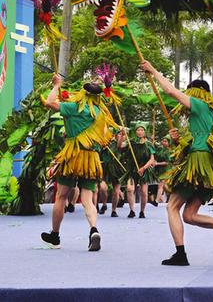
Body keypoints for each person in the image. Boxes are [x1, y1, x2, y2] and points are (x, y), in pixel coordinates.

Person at [139, 61, 213, 266]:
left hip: (198, 162)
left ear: (197, 93)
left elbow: (170, 91)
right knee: (190, 215)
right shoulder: (209, 113)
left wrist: (153, 70)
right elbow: (198, 139)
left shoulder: (200, 105)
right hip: (208, 166)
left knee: (172, 207)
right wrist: (179, 140)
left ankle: (180, 254)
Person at [41, 74, 118, 251]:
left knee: (61, 196)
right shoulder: (100, 113)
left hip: (72, 156)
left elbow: (49, 103)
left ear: (83, 94)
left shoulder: (74, 107)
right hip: (91, 158)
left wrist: (56, 85)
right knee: (87, 199)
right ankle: (93, 230)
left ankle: (55, 235)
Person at [124, 124, 157, 218]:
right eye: (138, 130)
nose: (140, 132)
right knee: (130, 189)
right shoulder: (131, 142)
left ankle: (142, 211)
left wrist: (143, 168)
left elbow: (151, 159)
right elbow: (121, 145)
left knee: (143, 192)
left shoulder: (149, 144)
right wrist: (122, 135)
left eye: (142, 130)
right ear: (135, 132)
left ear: (144, 131)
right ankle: (132, 210)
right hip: (132, 168)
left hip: (144, 169)